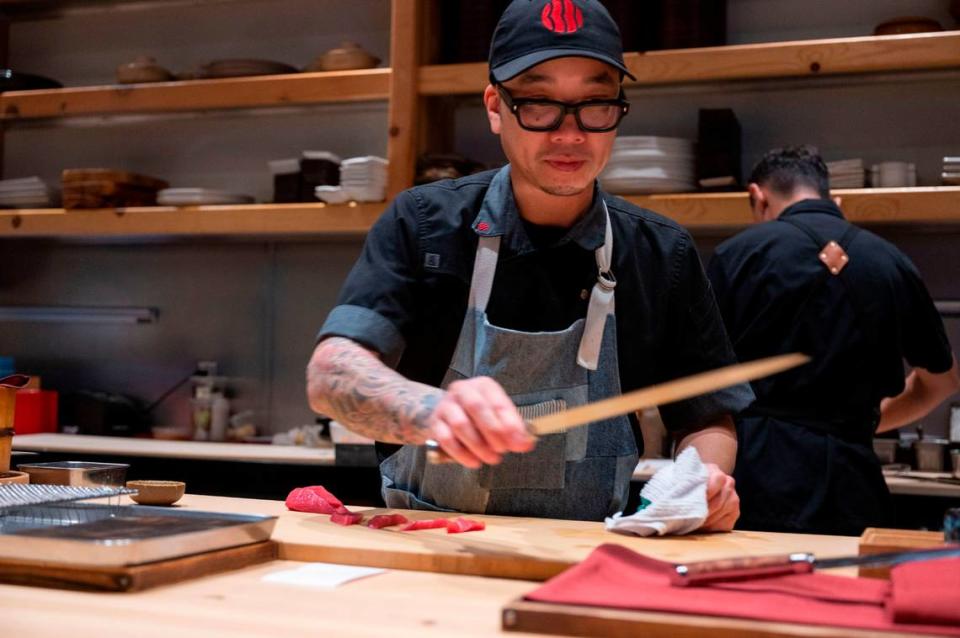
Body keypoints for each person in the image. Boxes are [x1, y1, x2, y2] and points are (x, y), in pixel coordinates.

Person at [306, 0, 752, 525]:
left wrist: (706, 483)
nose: (570, 134)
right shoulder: (427, 224)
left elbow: (706, 417)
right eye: (538, 104)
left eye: (595, 103)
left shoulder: (660, 253)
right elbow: (330, 376)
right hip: (428, 544)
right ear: (495, 106)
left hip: (586, 555)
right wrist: (433, 410)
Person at [707, 146, 960, 536]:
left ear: (757, 197)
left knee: (758, 592)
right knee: (849, 590)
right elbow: (941, 382)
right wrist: (867, 421)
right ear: (835, 200)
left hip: (758, 479)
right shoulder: (892, 262)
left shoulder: (736, 255)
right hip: (853, 479)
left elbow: (698, 378)